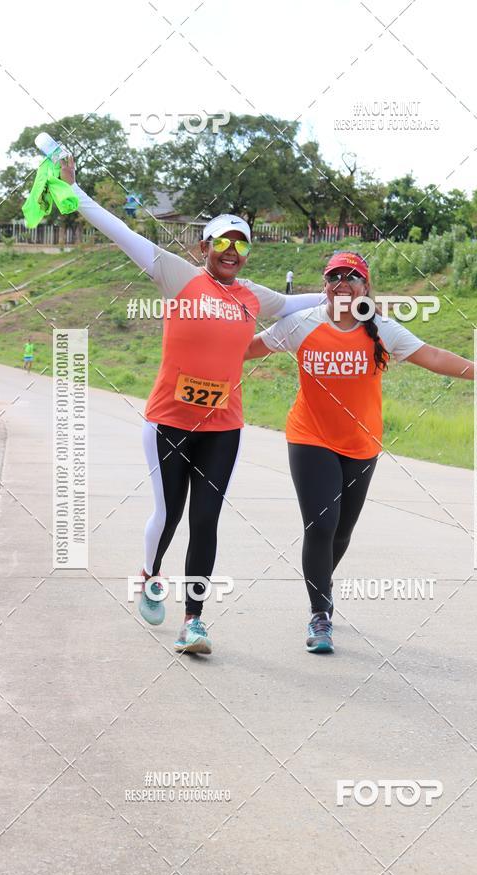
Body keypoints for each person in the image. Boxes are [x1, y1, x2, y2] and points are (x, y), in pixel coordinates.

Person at [60, 156, 324, 655]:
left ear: (247, 253)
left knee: (206, 520)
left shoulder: (250, 296)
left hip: (223, 426)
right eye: (222, 241)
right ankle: (149, 572)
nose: (231, 250)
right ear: (204, 246)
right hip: (168, 422)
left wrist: (348, 298)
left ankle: (194, 622)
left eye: (240, 243)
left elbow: (294, 305)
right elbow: (120, 232)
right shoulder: (178, 275)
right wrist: (77, 193)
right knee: (170, 513)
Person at [244, 250, 477, 654]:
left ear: (366, 287)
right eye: (334, 277)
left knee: (342, 532)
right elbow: (246, 350)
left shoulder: (382, 330)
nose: (342, 283)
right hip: (309, 437)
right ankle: (320, 614)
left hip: (361, 444)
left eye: (352, 277)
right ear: (325, 287)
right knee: (322, 525)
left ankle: (320, 587)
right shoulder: (300, 325)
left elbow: (433, 356)